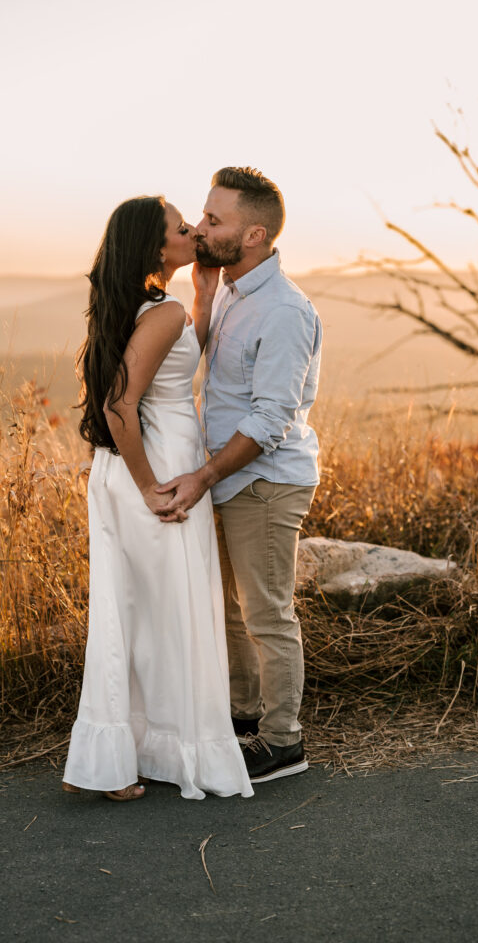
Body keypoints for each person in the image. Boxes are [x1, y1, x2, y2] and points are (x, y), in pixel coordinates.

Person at [62, 195, 253, 802]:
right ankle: (139, 755)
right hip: (158, 467)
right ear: (156, 246)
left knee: (139, 611)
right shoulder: (160, 312)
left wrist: (200, 294)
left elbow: (171, 362)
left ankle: (122, 755)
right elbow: (121, 405)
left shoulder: (157, 308)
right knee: (163, 611)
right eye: (181, 227)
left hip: (142, 463)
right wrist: (149, 486)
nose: (194, 229)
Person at [156, 167, 323, 784]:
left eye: (215, 220)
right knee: (230, 611)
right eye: (203, 215)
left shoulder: (283, 311)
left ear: (254, 234)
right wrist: (201, 294)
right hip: (228, 476)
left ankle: (284, 743)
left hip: (266, 480)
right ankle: (244, 718)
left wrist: (202, 475)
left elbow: (272, 418)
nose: (200, 228)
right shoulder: (228, 287)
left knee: (268, 614)